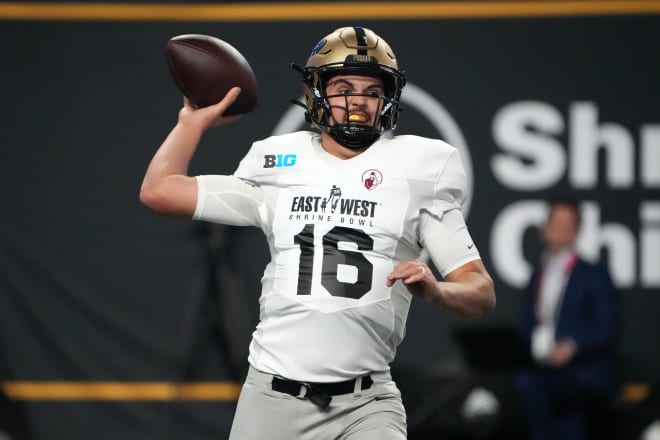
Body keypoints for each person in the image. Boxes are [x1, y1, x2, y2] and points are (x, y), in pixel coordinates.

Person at [140, 26, 496, 440]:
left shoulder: (421, 169)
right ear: (316, 93)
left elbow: (480, 292)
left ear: (390, 97)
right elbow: (159, 191)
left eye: (370, 89)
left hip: (367, 403)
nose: (358, 101)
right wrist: (192, 122)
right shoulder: (279, 164)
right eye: (344, 86)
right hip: (271, 396)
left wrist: (438, 292)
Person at [514, 197, 618, 440]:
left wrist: (571, 347)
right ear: (545, 228)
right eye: (557, 224)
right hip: (543, 367)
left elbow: (608, 327)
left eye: (568, 225)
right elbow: (530, 322)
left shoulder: (593, 274)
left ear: (577, 231)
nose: (561, 231)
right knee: (524, 384)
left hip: (581, 370)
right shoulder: (538, 273)